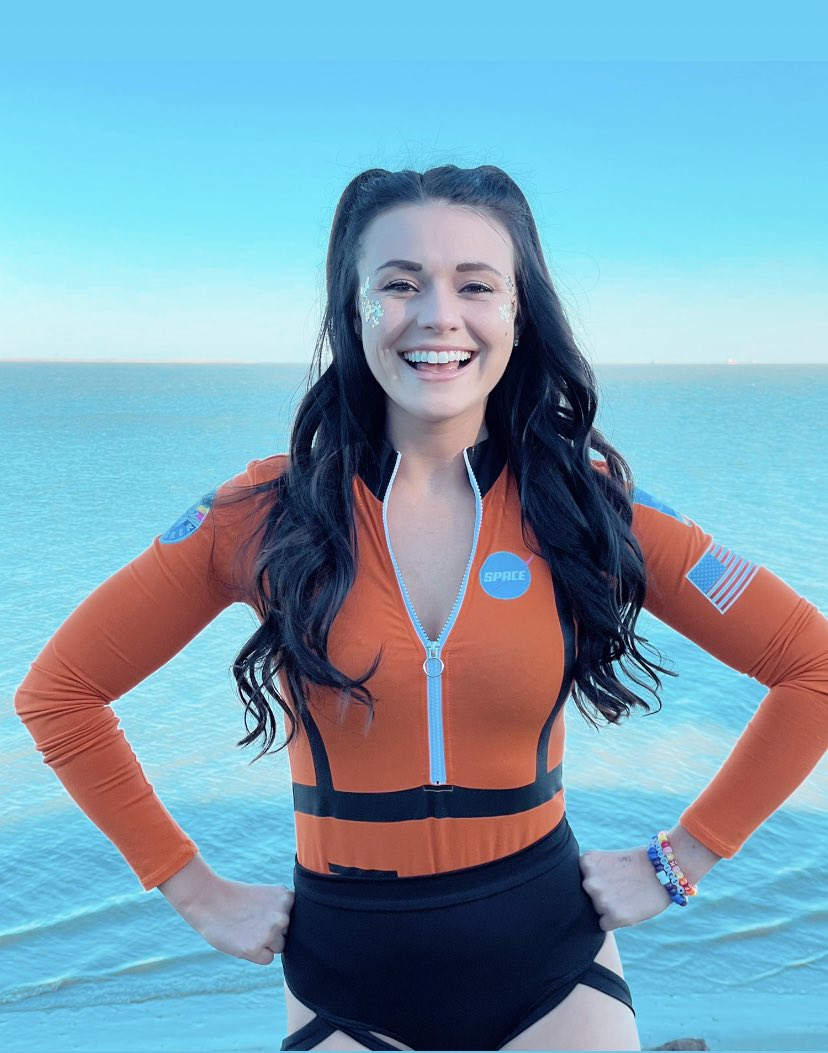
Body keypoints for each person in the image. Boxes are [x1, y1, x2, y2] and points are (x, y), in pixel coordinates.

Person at [14, 164, 828, 1053]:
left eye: (475, 285)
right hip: (347, 980)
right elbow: (60, 694)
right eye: (400, 283)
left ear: (519, 312)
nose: (439, 315)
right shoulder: (262, 517)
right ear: (354, 308)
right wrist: (190, 886)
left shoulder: (590, 509)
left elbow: (812, 666)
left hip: (553, 969)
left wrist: (683, 858)